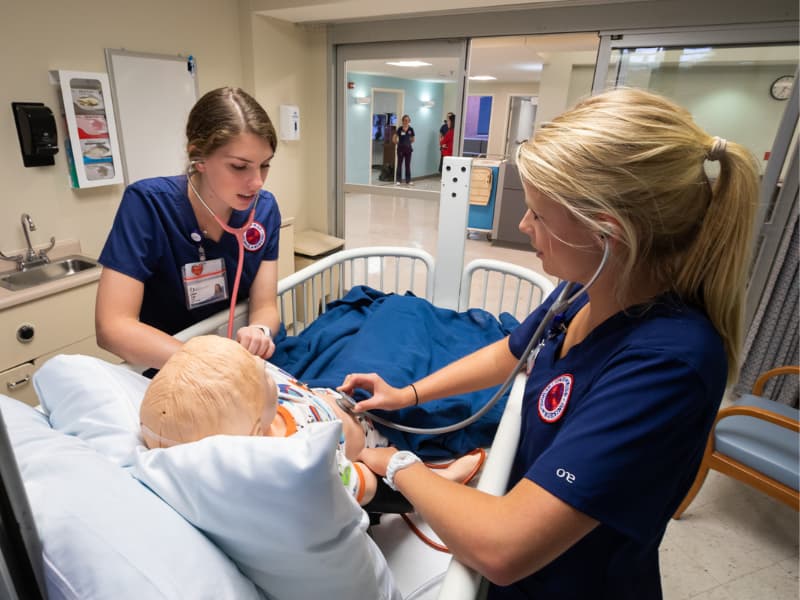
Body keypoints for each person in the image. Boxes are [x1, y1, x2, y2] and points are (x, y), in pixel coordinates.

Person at [338, 88, 759, 598]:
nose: (522, 224)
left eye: (538, 213)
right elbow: (513, 351)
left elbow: (504, 547)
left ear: (607, 234)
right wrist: (407, 395)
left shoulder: (669, 366)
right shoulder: (586, 288)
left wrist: (397, 465)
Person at [140, 335, 482, 507]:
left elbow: (263, 374)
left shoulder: (251, 400)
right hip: (372, 436)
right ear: (253, 430)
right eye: (257, 377)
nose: (261, 368)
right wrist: (382, 464)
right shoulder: (304, 460)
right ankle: (444, 478)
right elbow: (373, 491)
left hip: (335, 392)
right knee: (399, 468)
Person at [96, 87, 281, 372]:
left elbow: (266, 305)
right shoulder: (149, 205)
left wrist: (260, 330)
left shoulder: (264, 210)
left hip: (234, 364)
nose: (257, 182)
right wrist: (205, 364)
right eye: (239, 166)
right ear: (198, 157)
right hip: (168, 367)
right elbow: (112, 327)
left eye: (265, 165)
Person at [392, 114, 415, 185]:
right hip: (400, 150)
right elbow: (394, 138)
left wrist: (407, 143)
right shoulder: (400, 129)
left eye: (408, 120)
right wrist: (398, 143)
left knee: (407, 165)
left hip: (408, 150)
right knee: (399, 165)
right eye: (405, 120)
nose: (406, 121)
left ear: (409, 121)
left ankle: (408, 180)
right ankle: (398, 180)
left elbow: (413, 139)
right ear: (402, 121)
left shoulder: (411, 129)